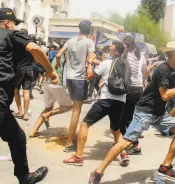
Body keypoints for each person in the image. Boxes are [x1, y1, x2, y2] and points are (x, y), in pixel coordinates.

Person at [87, 41, 175, 184]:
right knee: (126, 143)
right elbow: (165, 95)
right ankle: (97, 172)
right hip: (145, 111)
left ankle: (165, 167)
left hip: (159, 113)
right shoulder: (163, 70)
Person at [0, 8, 59, 183]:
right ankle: (24, 177)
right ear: (7, 23)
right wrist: (51, 72)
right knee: (17, 138)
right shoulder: (10, 34)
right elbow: (35, 49)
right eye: (13, 24)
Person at [63, 42, 130, 167]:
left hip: (106, 99)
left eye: (110, 49)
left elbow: (89, 76)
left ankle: (78, 157)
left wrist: (89, 63)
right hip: (121, 100)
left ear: (115, 52)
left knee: (85, 124)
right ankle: (124, 154)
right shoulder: (125, 64)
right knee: (116, 130)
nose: (108, 50)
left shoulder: (106, 63)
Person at [56, 20, 100, 152]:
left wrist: (58, 64)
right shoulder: (89, 42)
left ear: (79, 29)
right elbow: (90, 59)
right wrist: (104, 64)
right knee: (76, 110)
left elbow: (58, 55)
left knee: (76, 109)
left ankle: (71, 138)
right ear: (90, 30)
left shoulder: (70, 40)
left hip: (69, 77)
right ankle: (70, 142)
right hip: (80, 79)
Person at [29, 42, 73, 137]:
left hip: (48, 83)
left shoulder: (55, 56)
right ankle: (48, 114)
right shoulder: (67, 57)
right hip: (58, 84)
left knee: (48, 107)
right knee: (70, 106)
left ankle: (34, 131)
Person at [121, 36, 147, 155]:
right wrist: (142, 82)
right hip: (139, 88)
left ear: (126, 45)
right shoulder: (140, 54)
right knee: (133, 115)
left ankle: (135, 145)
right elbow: (145, 71)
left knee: (125, 117)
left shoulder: (125, 55)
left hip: (128, 88)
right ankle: (127, 140)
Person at [13, 29, 34, 121]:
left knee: (16, 91)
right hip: (29, 70)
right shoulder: (31, 46)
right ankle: (25, 114)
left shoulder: (17, 45)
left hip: (19, 70)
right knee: (26, 92)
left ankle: (20, 111)